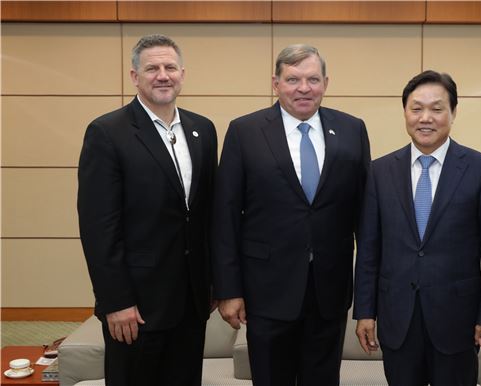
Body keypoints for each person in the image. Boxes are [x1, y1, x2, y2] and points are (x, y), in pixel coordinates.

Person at [212, 44, 371, 385]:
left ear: (326, 83)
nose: (303, 88)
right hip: (266, 289)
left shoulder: (352, 130)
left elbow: (365, 218)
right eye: (293, 79)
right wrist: (228, 289)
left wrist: (368, 298)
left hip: (330, 289)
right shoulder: (245, 132)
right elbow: (225, 216)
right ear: (276, 83)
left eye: (313, 79)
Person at [77, 34, 217, 386]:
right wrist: (116, 301)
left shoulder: (203, 130)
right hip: (136, 308)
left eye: (170, 67)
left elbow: (206, 217)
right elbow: (99, 227)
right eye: (152, 68)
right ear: (134, 76)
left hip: (191, 303)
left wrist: (213, 283)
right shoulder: (107, 133)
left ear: (183, 73)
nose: (162, 75)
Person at [354, 70, 481, 386]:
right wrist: (365, 312)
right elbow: (369, 249)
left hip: (457, 320)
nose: (426, 118)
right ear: (405, 113)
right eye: (416, 108)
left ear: (453, 112)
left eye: (437, 108)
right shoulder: (380, 171)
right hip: (398, 319)